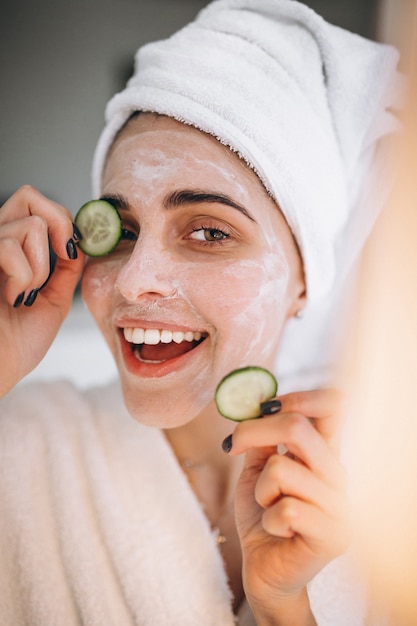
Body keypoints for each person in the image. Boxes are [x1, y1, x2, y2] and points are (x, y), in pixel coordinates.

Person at [0, 1, 402, 624]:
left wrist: (283, 609)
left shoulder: (389, 502)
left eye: (209, 233)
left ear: (303, 282)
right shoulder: (20, 447)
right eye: (122, 231)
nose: (136, 281)